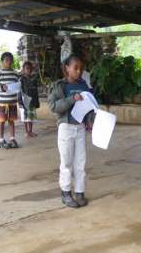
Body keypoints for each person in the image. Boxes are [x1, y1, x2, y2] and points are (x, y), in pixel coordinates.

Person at [48, 54, 91, 208]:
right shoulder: (59, 86)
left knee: (80, 162)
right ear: (67, 68)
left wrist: (91, 118)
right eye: (75, 68)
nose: (79, 71)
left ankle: (79, 192)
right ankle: (66, 193)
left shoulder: (84, 85)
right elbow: (53, 106)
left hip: (80, 128)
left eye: (81, 68)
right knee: (66, 162)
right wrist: (72, 99)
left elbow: (90, 105)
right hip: (65, 128)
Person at [0, 52, 20, 149]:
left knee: (11, 121)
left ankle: (12, 139)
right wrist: (2, 87)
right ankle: (1, 140)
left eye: (11, 60)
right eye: (6, 60)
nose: (9, 62)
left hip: (13, 102)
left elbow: (18, 85)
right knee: (1, 121)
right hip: (2, 103)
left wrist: (18, 88)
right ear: (2, 61)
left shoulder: (15, 73)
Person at [20, 61, 40, 138]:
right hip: (24, 100)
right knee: (25, 117)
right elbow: (19, 91)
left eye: (30, 68)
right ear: (23, 69)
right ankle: (26, 132)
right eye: (27, 68)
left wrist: (36, 102)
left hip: (32, 100)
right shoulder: (21, 79)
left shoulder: (33, 79)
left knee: (31, 117)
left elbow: (35, 91)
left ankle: (30, 131)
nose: (29, 70)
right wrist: (20, 101)